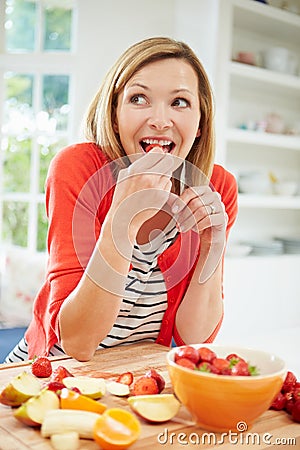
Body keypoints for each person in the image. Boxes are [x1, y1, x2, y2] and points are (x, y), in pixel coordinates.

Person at [5, 37, 238, 363]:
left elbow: (194, 338)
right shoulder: (77, 169)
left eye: (180, 102)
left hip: (132, 378)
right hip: (53, 369)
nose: (160, 120)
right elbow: (78, 343)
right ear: (115, 115)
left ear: (201, 122)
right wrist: (121, 220)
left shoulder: (218, 187)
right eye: (139, 98)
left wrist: (213, 245)